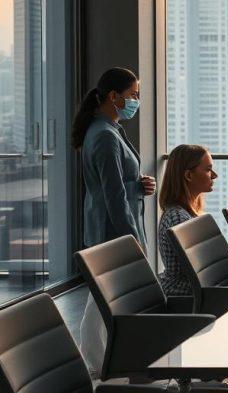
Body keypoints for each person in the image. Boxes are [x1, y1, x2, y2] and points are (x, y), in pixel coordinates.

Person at [71, 67, 155, 375]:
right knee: (107, 298)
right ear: (113, 96)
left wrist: (139, 185)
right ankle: (97, 362)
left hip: (109, 227)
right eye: (133, 95)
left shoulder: (109, 129)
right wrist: (131, 241)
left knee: (105, 298)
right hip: (113, 231)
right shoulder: (105, 136)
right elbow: (113, 197)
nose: (136, 100)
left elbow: (118, 186)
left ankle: (100, 360)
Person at [157, 145, 216, 296]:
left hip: (194, 290)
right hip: (187, 294)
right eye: (208, 169)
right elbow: (198, 269)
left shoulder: (186, 214)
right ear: (189, 175)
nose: (214, 175)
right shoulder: (178, 218)